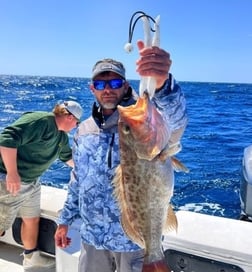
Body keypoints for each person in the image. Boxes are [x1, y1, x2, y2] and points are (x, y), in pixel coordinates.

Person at [54, 40, 188, 272]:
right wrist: (64, 219)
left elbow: (176, 121)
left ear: (125, 86)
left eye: (115, 82)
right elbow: (77, 180)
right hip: (92, 239)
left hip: (133, 243)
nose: (108, 89)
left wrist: (164, 84)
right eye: (101, 83)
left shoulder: (146, 120)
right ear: (92, 88)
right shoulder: (83, 130)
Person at [0, 100, 83, 270]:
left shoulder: (60, 137)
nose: (76, 126)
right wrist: (12, 172)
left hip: (32, 183)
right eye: (77, 122)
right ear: (68, 116)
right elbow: (7, 139)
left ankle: (31, 257)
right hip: (11, 181)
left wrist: (90, 171)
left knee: (32, 219)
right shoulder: (42, 121)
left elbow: (68, 158)